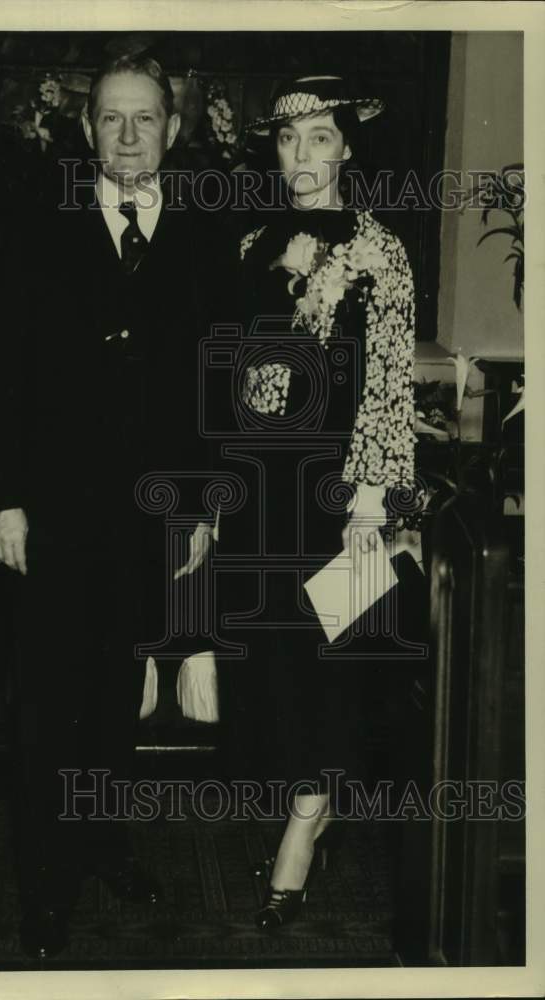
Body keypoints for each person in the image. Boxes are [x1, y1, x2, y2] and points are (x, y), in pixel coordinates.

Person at [0, 54, 228, 958]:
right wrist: (4, 501)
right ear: (86, 130)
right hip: (52, 516)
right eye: (111, 119)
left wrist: (200, 505)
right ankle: (45, 883)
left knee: (120, 694)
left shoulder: (199, 236)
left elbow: (212, 380)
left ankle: (104, 841)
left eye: (145, 118)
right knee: (50, 702)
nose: (128, 135)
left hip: (150, 518)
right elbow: (0, 373)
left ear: (173, 130)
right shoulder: (36, 227)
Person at [225, 75, 421, 930]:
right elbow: (229, 363)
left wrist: (372, 501)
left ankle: (304, 834)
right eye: (286, 138)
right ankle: (307, 809)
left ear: (347, 147)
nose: (301, 154)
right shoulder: (252, 242)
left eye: (318, 137)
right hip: (262, 485)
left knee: (328, 662)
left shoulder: (382, 251)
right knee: (274, 663)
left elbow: (388, 383)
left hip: (341, 489)